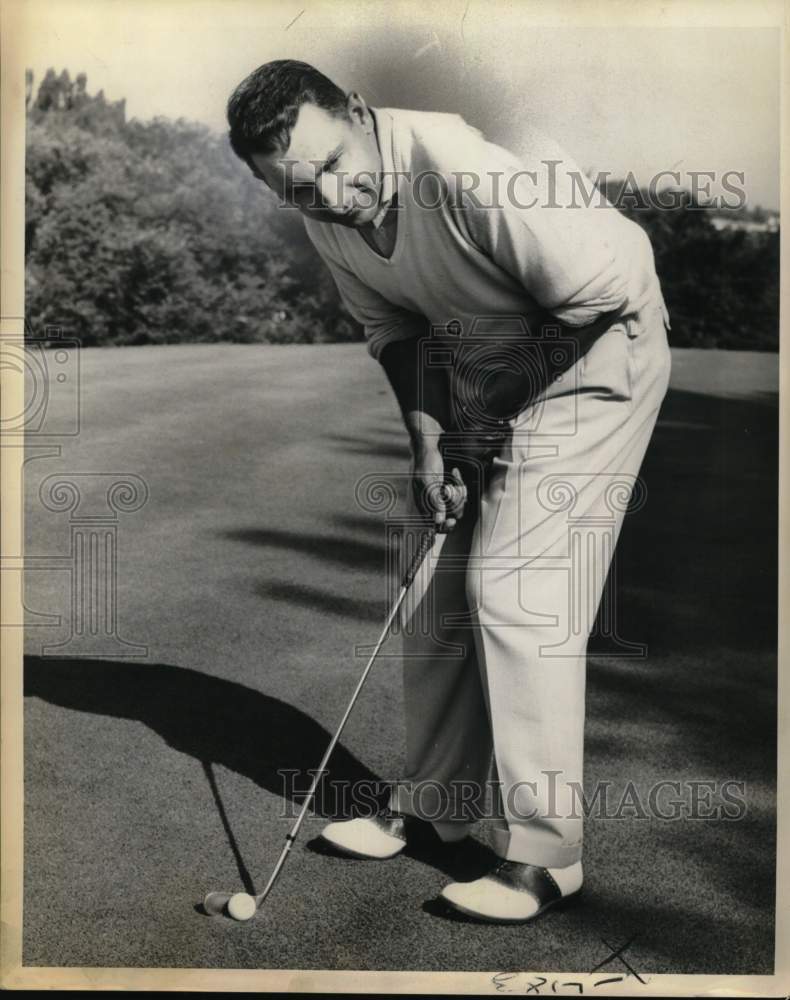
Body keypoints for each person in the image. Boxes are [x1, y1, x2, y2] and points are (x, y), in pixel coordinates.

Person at [226, 59, 672, 923]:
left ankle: (547, 852)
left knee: (513, 589)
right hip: (488, 356)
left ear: (359, 113)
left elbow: (586, 309)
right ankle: (436, 805)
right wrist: (431, 445)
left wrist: (476, 429)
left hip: (598, 346)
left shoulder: (458, 169)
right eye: (298, 189)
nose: (329, 194)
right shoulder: (326, 210)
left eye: (332, 165)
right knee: (431, 584)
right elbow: (397, 332)